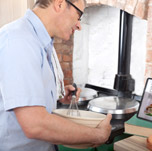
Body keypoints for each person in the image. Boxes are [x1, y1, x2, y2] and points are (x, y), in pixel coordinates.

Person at [0, 0, 112, 151]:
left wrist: (55, 98)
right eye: (79, 15)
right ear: (59, 4)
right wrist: (98, 135)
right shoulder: (19, 40)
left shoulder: (39, 42)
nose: (79, 25)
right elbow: (35, 124)